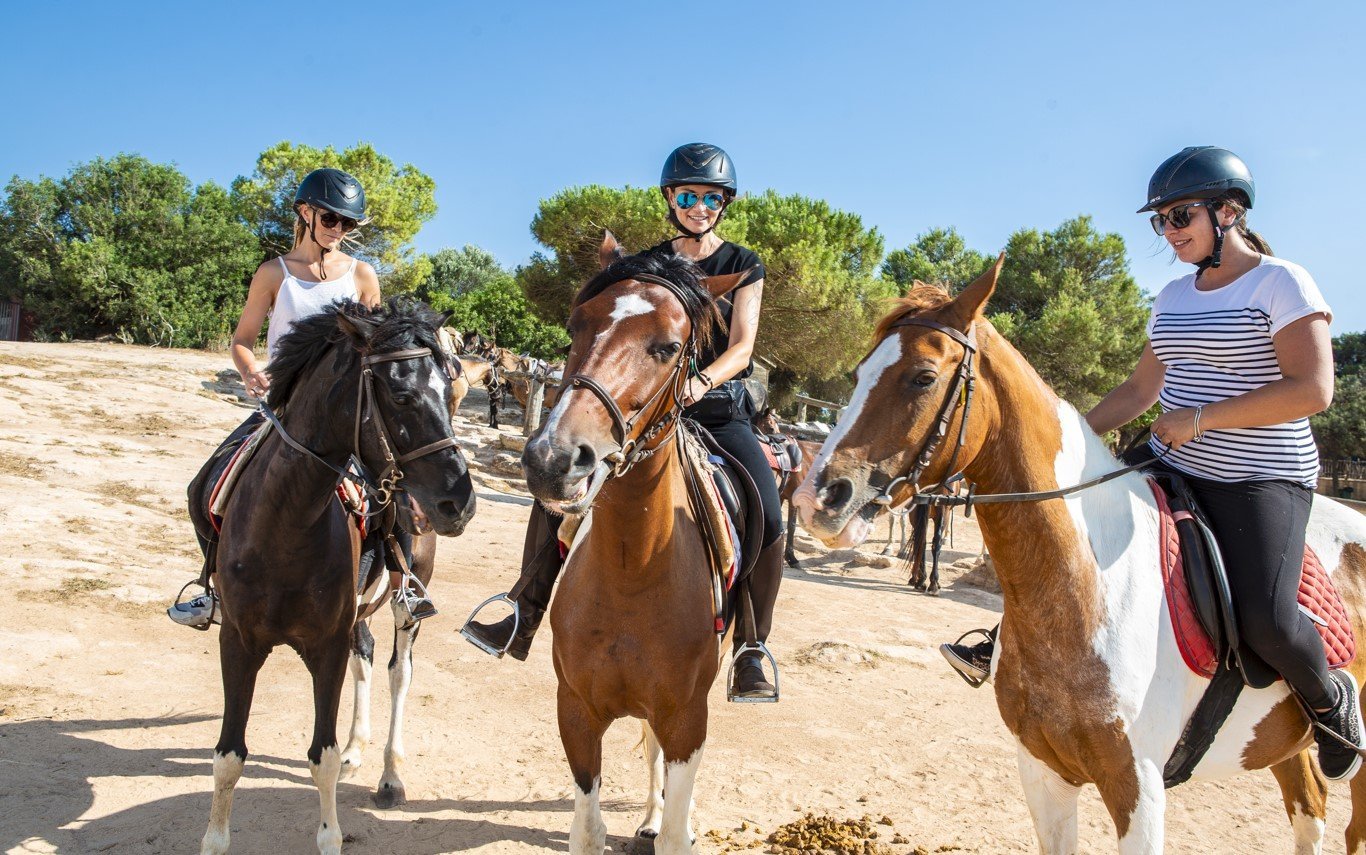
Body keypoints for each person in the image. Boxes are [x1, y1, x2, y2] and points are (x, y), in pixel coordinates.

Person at [938, 146, 1361, 778]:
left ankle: (1332, 702)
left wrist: (1199, 419)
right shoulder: (1171, 296)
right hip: (1172, 458)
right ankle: (1003, 644)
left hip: (1259, 474)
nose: (1168, 232)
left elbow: (1312, 391)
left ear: (1229, 211)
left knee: (1269, 620)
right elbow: (1141, 392)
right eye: (1160, 220)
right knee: (1064, 541)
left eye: (1180, 215)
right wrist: (1068, 435)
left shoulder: (1283, 283)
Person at [462, 142, 788, 700]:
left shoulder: (742, 264)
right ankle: (523, 608)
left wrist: (698, 383)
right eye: (688, 195)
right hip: (647, 409)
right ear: (670, 197)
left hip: (713, 405)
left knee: (769, 513)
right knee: (558, 491)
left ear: (725, 204)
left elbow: (742, 347)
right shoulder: (651, 264)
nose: (699, 207)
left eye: (711, 198)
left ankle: (752, 647)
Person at [167, 168, 433, 628]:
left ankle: (404, 583)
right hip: (285, 408)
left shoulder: (362, 275)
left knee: (391, 484)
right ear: (305, 213)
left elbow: (375, 345)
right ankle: (211, 587)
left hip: (346, 411)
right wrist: (251, 370)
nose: (339, 230)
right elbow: (242, 340)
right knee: (204, 486)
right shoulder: (274, 273)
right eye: (332, 219)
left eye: (349, 224)